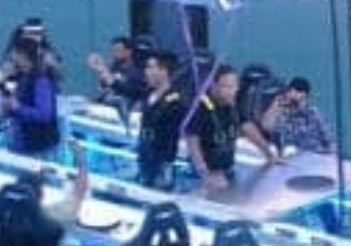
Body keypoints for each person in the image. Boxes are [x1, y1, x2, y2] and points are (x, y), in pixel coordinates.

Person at [185, 64, 247, 192]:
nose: (232, 91)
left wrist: (269, 154)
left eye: (234, 86)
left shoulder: (232, 104)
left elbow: (247, 126)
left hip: (226, 169)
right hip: (203, 174)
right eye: (227, 87)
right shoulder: (200, 107)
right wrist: (205, 175)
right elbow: (192, 144)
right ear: (214, 86)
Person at [0, 38, 61, 156]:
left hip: (38, 145)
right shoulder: (21, 75)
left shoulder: (41, 80)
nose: (12, 59)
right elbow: (13, 98)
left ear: (23, 56)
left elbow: (43, 114)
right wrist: (2, 84)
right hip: (20, 139)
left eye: (15, 54)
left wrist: (18, 107)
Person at [136, 50, 187, 189]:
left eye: (151, 67)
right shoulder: (149, 93)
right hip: (145, 152)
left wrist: (165, 161)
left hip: (161, 158)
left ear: (163, 71)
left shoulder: (175, 100)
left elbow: (169, 132)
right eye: (146, 68)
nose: (146, 72)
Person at [256, 76, 335, 155]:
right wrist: (276, 105)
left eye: (298, 91)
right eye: (291, 90)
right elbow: (266, 127)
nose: (294, 94)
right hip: (293, 156)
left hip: (316, 154)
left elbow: (328, 138)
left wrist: (331, 154)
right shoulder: (282, 115)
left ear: (306, 95)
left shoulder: (313, 113)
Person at [87, 36, 147, 124]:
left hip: (127, 107)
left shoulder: (136, 70)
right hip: (109, 105)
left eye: (118, 50)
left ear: (128, 51)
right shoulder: (114, 66)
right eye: (113, 50)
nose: (115, 53)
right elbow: (105, 85)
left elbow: (127, 90)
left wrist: (104, 70)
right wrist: (100, 70)